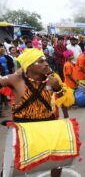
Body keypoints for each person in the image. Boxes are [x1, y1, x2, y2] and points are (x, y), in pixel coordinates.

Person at [0, 48, 68, 177]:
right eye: (41, 61)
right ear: (29, 66)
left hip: (47, 125)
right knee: (13, 166)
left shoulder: (51, 79)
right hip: (24, 129)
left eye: (45, 61)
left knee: (59, 159)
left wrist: (57, 87)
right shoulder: (16, 79)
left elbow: (63, 98)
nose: (46, 64)